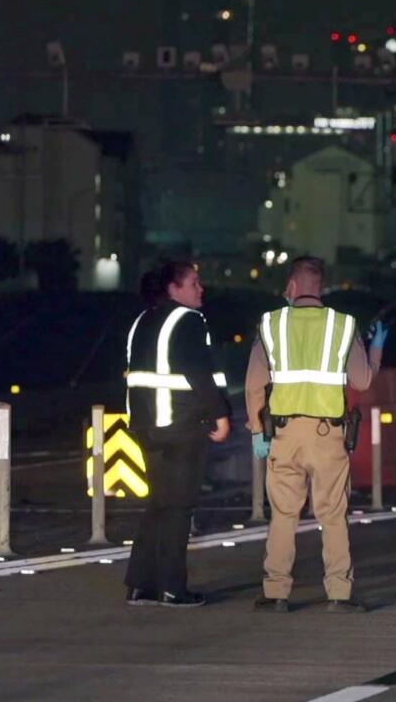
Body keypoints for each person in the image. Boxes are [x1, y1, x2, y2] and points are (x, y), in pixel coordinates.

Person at [245, 256, 384, 614]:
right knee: (333, 514)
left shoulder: (271, 324)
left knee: (283, 515)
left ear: (291, 287)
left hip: (284, 435)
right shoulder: (343, 325)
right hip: (328, 435)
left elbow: (253, 386)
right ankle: (339, 593)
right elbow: (363, 381)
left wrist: (258, 430)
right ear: (322, 288)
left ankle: (276, 593)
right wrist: (377, 349)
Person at [123, 260, 231, 608]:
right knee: (178, 508)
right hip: (181, 427)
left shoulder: (142, 320)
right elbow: (198, 370)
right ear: (174, 289)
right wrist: (220, 414)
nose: (201, 289)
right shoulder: (188, 320)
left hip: (145, 425)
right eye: (194, 283)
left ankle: (141, 586)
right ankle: (172, 588)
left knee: (158, 505)